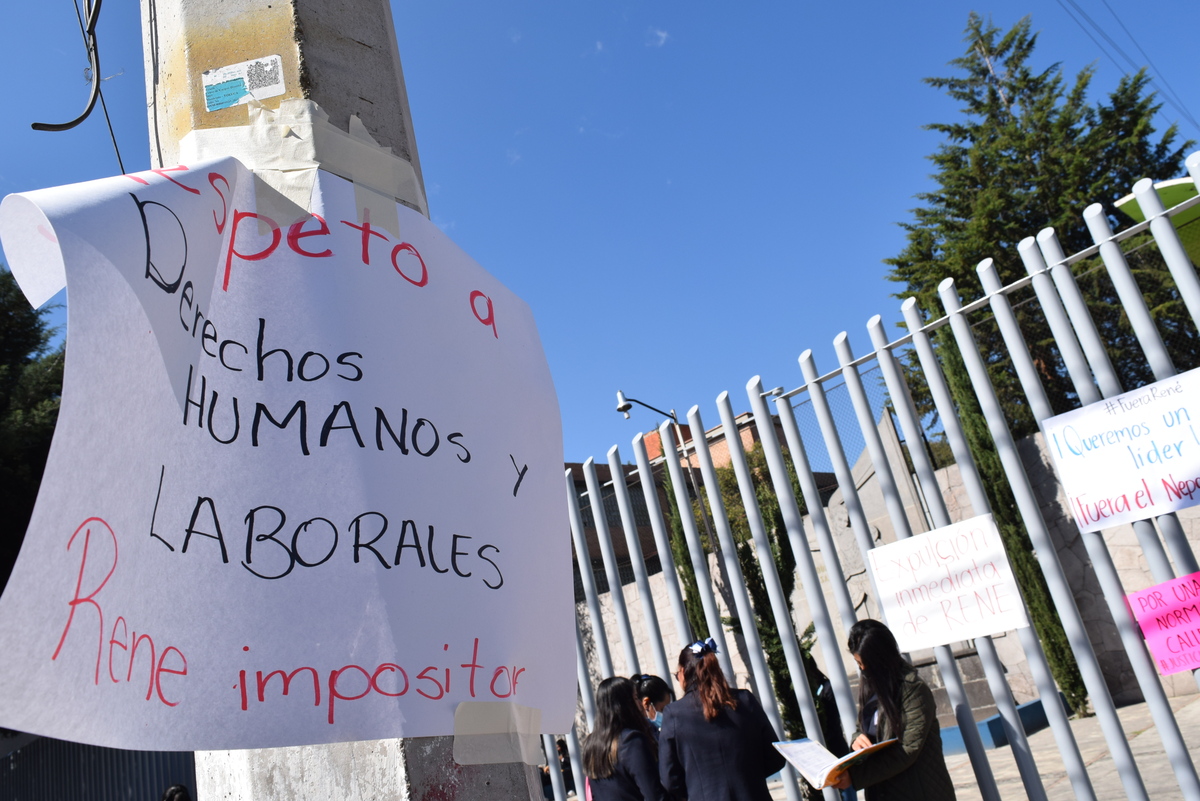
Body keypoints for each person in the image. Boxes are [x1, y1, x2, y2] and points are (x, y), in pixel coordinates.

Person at [832, 619, 956, 800]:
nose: (863, 669)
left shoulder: (913, 690)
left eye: (866, 663)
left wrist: (855, 777)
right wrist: (857, 739)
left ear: (881, 658)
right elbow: (865, 728)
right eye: (858, 664)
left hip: (918, 792)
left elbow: (907, 750)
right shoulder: (871, 686)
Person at [658, 638, 785, 801]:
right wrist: (748, 779)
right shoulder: (745, 700)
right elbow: (775, 757)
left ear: (683, 672)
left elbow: (669, 779)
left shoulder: (674, 714)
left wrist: (697, 791)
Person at [583, 676, 667, 801]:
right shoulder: (631, 741)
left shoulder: (591, 745)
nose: (639, 703)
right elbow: (653, 794)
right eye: (635, 698)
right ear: (624, 705)